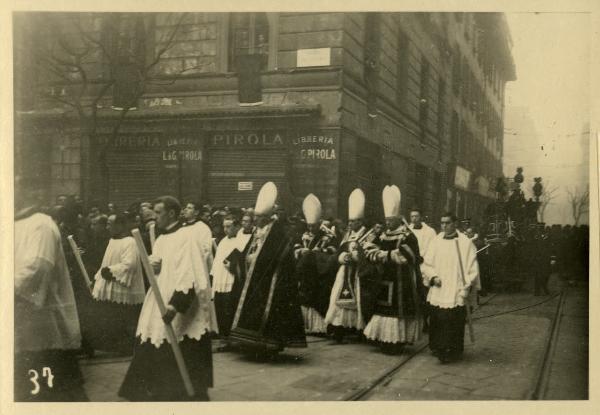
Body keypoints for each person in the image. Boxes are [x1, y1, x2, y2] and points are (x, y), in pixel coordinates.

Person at [118, 196, 215, 401]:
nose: (155, 217)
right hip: (159, 295)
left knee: (180, 347)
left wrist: (175, 304)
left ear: (171, 213)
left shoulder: (187, 236)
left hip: (178, 302)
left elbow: (191, 272)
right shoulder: (161, 239)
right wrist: (154, 266)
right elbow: (161, 267)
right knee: (155, 340)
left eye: (159, 213)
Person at [14, 177, 88, 401]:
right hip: (18, 326)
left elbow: (37, 268)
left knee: (56, 396)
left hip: (43, 328)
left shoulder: (41, 224)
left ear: (29, 191)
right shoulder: (12, 223)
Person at [229, 182, 306, 354]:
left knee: (271, 314)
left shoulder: (277, 231)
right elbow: (249, 249)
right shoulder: (258, 231)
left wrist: (256, 261)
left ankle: (269, 345)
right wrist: (240, 260)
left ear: (266, 217)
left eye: (258, 218)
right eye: (255, 217)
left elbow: (275, 255)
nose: (255, 220)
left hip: (274, 281)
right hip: (255, 276)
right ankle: (251, 343)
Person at [363, 185, 424, 354]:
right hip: (384, 278)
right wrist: (381, 254)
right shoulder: (383, 234)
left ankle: (396, 341)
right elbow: (368, 249)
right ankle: (384, 339)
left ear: (398, 218)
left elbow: (410, 256)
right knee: (382, 310)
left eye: (391, 220)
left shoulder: (407, 235)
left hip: (401, 280)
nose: (387, 223)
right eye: (386, 220)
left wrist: (385, 255)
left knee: (397, 312)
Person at [422, 212, 480, 364]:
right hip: (440, 287)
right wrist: (433, 276)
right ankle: (437, 347)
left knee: (454, 320)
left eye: (447, 223)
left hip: (456, 288)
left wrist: (466, 287)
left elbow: (472, 269)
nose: (444, 226)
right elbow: (427, 264)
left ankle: (453, 349)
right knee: (438, 318)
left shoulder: (465, 243)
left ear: (455, 224)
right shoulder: (435, 241)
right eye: (442, 223)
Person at [90, 213, 146, 354]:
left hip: (124, 288)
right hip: (112, 286)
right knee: (113, 317)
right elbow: (105, 263)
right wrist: (98, 278)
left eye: (110, 223)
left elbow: (130, 264)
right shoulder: (112, 241)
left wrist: (111, 271)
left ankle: (126, 348)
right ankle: (114, 346)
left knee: (125, 318)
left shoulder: (130, 242)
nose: (107, 226)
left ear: (120, 225)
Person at [325, 189, 375, 343]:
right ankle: (338, 331)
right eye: (349, 221)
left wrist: (356, 256)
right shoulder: (348, 235)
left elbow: (369, 254)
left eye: (353, 222)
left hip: (359, 274)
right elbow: (340, 250)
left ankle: (360, 330)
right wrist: (342, 257)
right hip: (345, 271)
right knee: (337, 301)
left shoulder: (369, 235)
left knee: (359, 301)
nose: (350, 224)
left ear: (360, 222)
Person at [294, 194, 338, 335]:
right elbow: (295, 247)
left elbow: (333, 251)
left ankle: (320, 326)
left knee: (318, 297)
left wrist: (318, 252)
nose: (311, 228)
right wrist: (301, 251)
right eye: (309, 225)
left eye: (313, 226)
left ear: (319, 223)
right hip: (306, 271)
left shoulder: (329, 235)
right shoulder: (303, 234)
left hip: (320, 272)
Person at [210, 216, 242, 342]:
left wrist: (232, 266)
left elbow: (239, 261)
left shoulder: (239, 241)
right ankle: (223, 335)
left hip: (230, 278)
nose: (225, 229)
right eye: (224, 226)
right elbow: (217, 260)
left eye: (229, 226)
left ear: (236, 227)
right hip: (219, 278)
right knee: (219, 307)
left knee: (229, 308)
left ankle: (229, 336)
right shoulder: (223, 241)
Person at [409, 207, 437, 331]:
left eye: (416, 216)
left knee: (424, 295)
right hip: (411, 266)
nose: (414, 219)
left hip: (424, 266)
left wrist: (423, 259)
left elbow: (433, 249)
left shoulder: (430, 232)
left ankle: (425, 321)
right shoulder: (407, 230)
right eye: (412, 216)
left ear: (421, 217)